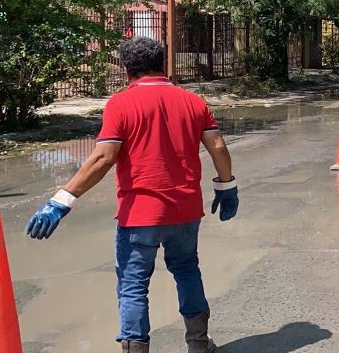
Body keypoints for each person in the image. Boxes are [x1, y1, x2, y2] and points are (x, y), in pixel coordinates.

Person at [25, 36, 239, 353]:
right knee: (187, 269)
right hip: (185, 211)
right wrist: (227, 186)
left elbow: (103, 157)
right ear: (163, 65)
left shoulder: (121, 104)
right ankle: (198, 345)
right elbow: (218, 146)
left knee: (133, 283)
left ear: (126, 70)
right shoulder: (193, 101)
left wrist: (62, 200)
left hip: (140, 214)